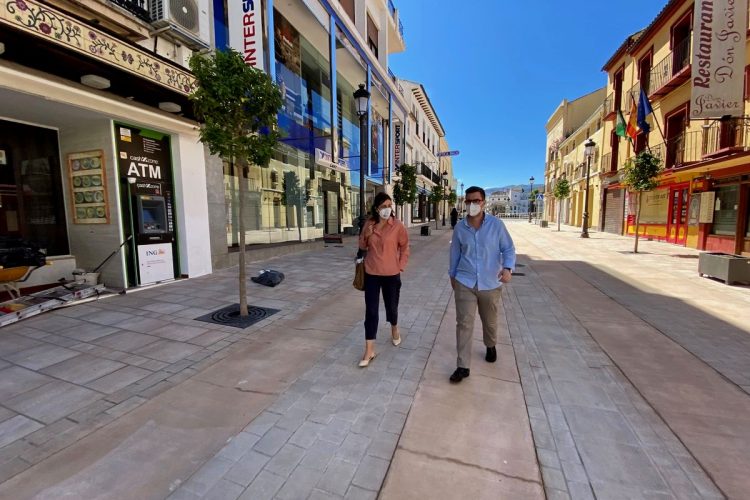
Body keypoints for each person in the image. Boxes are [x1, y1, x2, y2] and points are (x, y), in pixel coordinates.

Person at [448, 186, 516, 383]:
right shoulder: (460, 227)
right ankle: (462, 366)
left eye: (476, 201)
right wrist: (452, 275)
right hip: (465, 281)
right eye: (468, 201)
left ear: (484, 203)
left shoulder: (496, 225)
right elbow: (455, 254)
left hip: (490, 283)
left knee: (490, 321)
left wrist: (508, 268)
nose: (471, 204)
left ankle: (490, 344)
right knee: (464, 324)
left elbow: (508, 249)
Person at [357, 192, 410, 367]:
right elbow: (362, 246)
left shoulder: (398, 226)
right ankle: (369, 350)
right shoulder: (369, 224)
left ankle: (394, 327)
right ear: (376, 208)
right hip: (372, 273)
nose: (387, 209)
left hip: (391, 274)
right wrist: (367, 234)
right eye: (383, 206)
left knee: (391, 307)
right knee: (371, 311)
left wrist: (400, 265)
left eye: (389, 206)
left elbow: (405, 247)